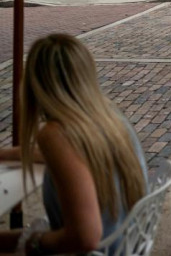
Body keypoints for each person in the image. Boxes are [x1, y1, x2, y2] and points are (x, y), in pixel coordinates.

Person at [0, 34, 147, 255]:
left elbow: (84, 238)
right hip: (125, 246)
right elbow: (71, 160)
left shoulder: (56, 134)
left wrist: (23, 241)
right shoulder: (108, 116)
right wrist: (5, 153)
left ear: (35, 83)